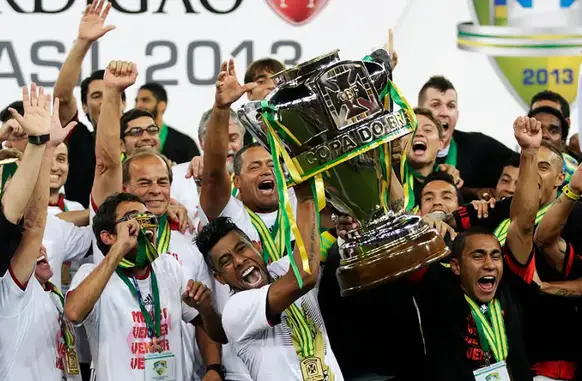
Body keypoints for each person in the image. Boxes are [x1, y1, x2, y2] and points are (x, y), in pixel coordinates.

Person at [90, 59, 222, 381]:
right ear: (124, 190)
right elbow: (107, 162)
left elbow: (200, 313)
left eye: (162, 183)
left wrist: (214, 368)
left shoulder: (187, 232)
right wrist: (111, 93)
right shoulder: (114, 225)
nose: (156, 191)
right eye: (144, 183)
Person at [64, 192, 226, 381]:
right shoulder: (90, 274)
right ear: (108, 236)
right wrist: (120, 248)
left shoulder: (169, 267)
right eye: (134, 218)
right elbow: (73, 313)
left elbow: (218, 333)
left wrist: (206, 310)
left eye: (149, 217)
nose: (145, 223)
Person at [196, 179, 344, 381]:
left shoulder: (284, 268)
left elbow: (321, 241)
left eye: (241, 249)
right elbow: (304, 275)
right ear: (219, 278)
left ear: (257, 247)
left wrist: (341, 228)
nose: (239, 261)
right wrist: (305, 194)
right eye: (226, 261)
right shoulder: (236, 310)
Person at [0, 83, 80, 381]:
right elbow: (33, 227)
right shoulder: (11, 283)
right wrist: (41, 146)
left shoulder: (51, 294)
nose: (41, 248)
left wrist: (45, 147)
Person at [53, 1, 122, 208]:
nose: (104, 102)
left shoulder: (139, 137)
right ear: (84, 106)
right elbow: (62, 98)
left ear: (124, 103)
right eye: (96, 95)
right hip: (79, 232)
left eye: (111, 94)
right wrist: (83, 42)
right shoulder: (78, 137)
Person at [418, 76, 515, 200]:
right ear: (420, 113)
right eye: (436, 105)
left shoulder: (480, 148)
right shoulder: (402, 151)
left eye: (451, 106)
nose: (444, 112)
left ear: (457, 115)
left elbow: (522, 165)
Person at [396, 107, 462, 211]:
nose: (419, 134)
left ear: (441, 143)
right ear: (399, 142)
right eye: (411, 130)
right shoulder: (385, 180)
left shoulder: (450, 179)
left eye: (427, 130)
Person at [135, 82, 201, 164]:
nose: (138, 105)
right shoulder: (131, 139)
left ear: (161, 105)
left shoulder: (185, 143)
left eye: (145, 100)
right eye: (136, 100)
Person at [241, 58, 285, 145]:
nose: (271, 86)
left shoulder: (302, 123)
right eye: (261, 81)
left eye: (277, 80)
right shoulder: (240, 131)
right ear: (249, 92)